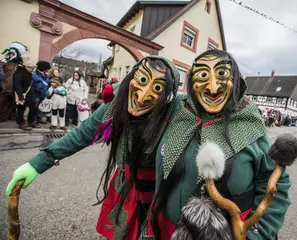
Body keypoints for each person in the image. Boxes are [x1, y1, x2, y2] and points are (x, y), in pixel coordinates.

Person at [6, 56, 180, 240]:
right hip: (126, 185)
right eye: (143, 80)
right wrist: (37, 163)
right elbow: (82, 134)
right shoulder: (114, 108)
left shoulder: (174, 117)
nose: (143, 94)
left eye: (158, 88)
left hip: (159, 193)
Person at [146, 50, 291, 239]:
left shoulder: (249, 122)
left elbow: (275, 183)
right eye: (203, 75)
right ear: (191, 82)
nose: (213, 88)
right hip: (164, 226)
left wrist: (258, 233)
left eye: (222, 74)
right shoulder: (178, 110)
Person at [0, 42, 28, 122]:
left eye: (13, 53)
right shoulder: (4, 62)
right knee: (3, 102)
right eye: (10, 53)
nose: (11, 55)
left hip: (15, 87)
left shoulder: (20, 65)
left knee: (13, 103)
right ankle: (2, 116)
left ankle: (9, 116)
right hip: (5, 86)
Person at [12, 54, 37, 130]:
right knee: (21, 108)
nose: (32, 69)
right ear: (25, 66)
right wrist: (20, 96)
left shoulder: (29, 73)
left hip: (29, 94)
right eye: (31, 68)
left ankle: (30, 121)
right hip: (21, 93)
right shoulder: (19, 73)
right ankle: (21, 122)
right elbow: (17, 85)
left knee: (33, 107)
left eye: (33, 68)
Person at [32, 61, 51, 127]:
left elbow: (46, 84)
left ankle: (39, 119)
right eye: (47, 68)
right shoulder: (34, 74)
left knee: (40, 108)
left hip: (42, 94)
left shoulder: (45, 75)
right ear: (43, 68)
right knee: (34, 108)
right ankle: (33, 121)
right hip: (36, 94)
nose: (48, 70)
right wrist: (37, 90)